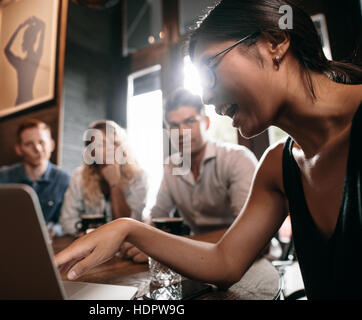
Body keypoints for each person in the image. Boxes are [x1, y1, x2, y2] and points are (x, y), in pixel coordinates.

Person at [55, 0, 362, 299]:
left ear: (274, 42)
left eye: (209, 70)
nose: (205, 98)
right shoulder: (277, 165)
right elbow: (225, 262)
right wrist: (127, 229)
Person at [121, 88, 257, 263]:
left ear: (206, 123)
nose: (182, 131)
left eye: (190, 121)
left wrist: (167, 247)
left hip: (251, 259)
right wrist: (141, 239)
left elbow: (248, 233)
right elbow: (157, 216)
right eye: (174, 126)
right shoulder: (171, 165)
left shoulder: (237, 158)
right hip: (200, 259)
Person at [60, 120, 148, 235]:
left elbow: (132, 223)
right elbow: (67, 222)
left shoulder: (138, 176)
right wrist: (96, 236)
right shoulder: (79, 177)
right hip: (89, 243)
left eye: (115, 143)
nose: (110, 149)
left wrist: (115, 184)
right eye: (101, 145)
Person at [0, 119, 70, 235]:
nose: (37, 149)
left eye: (42, 142)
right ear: (19, 149)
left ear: (51, 145)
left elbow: (67, 222)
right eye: (29, 144)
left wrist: (54, 230)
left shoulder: (65, 180)